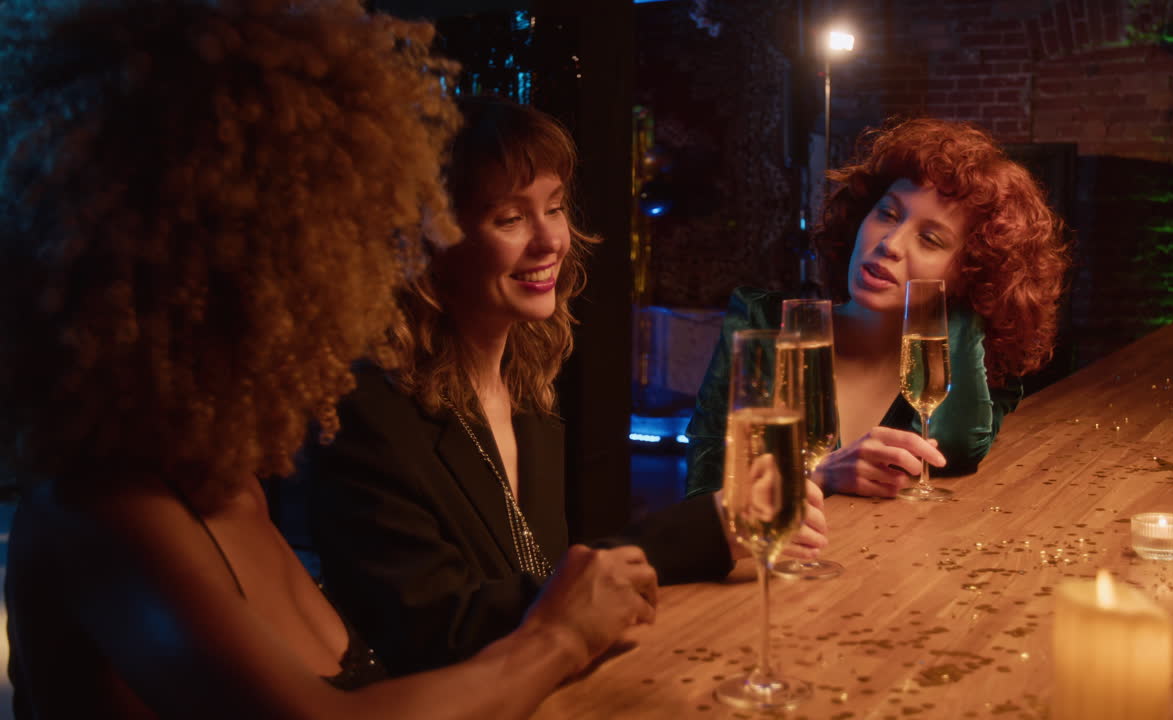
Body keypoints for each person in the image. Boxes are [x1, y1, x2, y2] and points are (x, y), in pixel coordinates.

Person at [1, 2, 658, 718]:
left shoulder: (226, 484)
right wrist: (556, 638)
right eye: (277, 252)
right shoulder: (102, 508)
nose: (340, 283)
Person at [303, 95, 829, 676]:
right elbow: (437, 632)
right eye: (509, 217)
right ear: (427, 244)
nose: (550, 240)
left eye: (553, 208)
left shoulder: (530, 388)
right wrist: (693, 536)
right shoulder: (362, 412)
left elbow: (542, 584)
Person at [686, 117, 1069, 499]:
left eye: (931, 239)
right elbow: (705, 497)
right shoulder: (765, 327)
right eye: (887, 214)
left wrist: (974, 300)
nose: (891, 243)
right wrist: (820, 478)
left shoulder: (969, 369)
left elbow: (956, 449)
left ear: (972, 271)